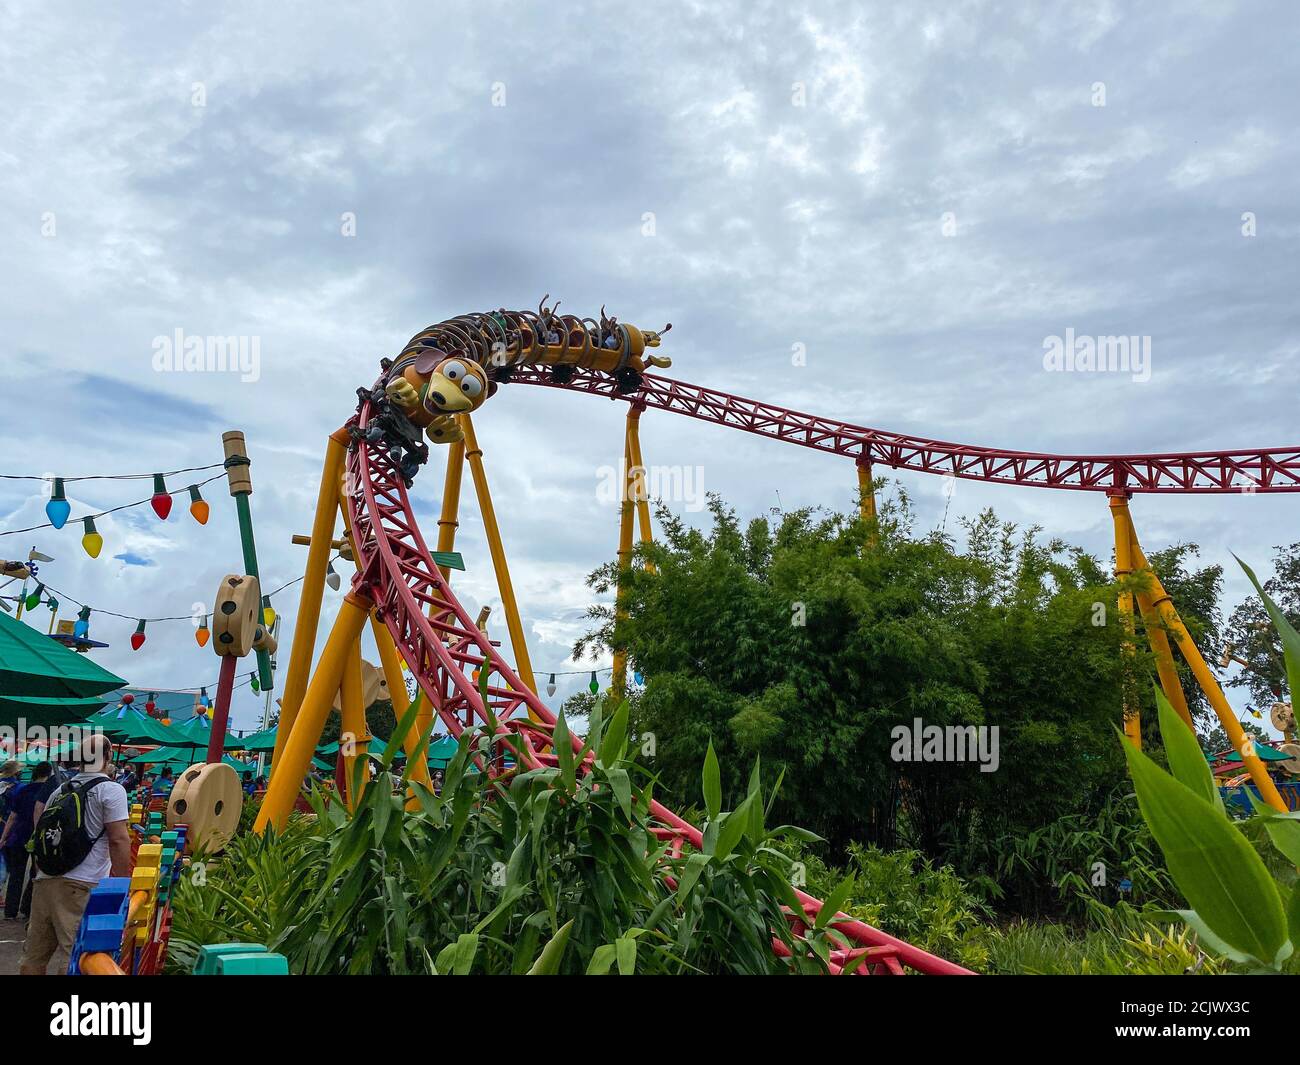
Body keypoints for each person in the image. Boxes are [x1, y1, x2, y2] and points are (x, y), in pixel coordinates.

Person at [19, 734, 130, 975]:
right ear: (108, 757)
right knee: (76, 958)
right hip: (80, 884)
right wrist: (123, 885)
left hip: (45, 881)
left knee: (34, 958)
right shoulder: (111, 790)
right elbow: (119, 839)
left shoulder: (59, 790)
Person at [0, 761, 55, 921]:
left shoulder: (22, 790)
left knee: (16, 874)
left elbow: (12, 816)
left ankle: (10, 911)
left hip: (18, 836)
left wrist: (4, 838)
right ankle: (27, 909)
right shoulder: (51, 791)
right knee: (35, 875)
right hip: (39, 837)